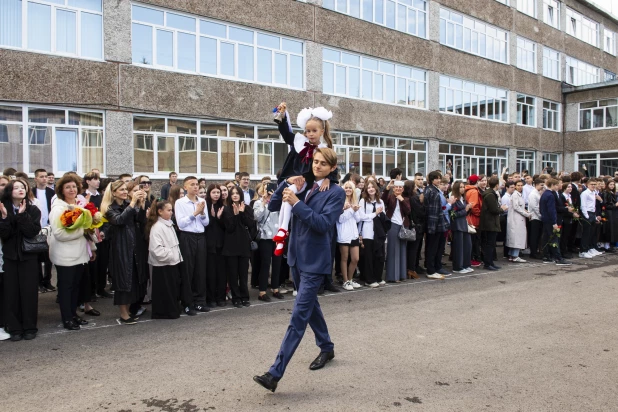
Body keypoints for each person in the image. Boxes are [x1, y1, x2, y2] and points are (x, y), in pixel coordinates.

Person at [254, 148, 346, 392]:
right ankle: (326, 347)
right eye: (315, 162)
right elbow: (274, 205)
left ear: (332, 168)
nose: (317, 166)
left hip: (316, 262)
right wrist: (287, 182)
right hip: (295, 258)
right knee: (310, 307)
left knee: (298, 317)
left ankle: (274, 373)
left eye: (323, 164)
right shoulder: (303, 185)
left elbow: (323, 224)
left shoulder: (335, 193)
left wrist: (297, 204)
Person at [271, 103, 338, 256]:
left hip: (309, 182)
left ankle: (283, 232)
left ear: (322, 131)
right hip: (294, 179)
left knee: (293, 198)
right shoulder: (299, 142)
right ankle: (282, 231)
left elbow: (333, 167)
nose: (310, 134)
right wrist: (282, 116)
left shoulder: (324, 149)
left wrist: (329, 179)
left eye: (314, 131)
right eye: (308, 131)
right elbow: (287, 134)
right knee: (287, 196)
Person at [49, 174, 96, 330]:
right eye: (67, 187)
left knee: (76, 287)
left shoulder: (79, 206)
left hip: (79, 254)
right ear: (61, 190)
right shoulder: (59, 208)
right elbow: (59, 234)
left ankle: (74, 314)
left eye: (74, 186)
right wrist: (82, 231)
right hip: (65, 256)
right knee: (66, 289)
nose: (72, 189)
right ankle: (67, 318)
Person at [0, 178, 42, 341]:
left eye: (23, 187)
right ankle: (15, 328)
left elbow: (32, 232)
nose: (20, 190)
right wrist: (4, 218)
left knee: (29, 293)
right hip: (10, 257)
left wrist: (22, 215)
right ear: (9, 192)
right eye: (16, 187)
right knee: (11, 294)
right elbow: (4, 235)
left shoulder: (33, 210)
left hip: (29, 257)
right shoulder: (3, 208)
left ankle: (30, 327)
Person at [101, 180, 148, 324]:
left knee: (133, 280)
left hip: (134, 247)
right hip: (121, 249)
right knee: (123, 281)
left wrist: (141, 203)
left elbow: (140, 220)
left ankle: (128, 310)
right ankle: (123, 313)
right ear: (114, 192)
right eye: (121, 190)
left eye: (125, 189)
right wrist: (133, 203)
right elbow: (119, 220)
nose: (124, 192)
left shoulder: (128, 205)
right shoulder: (109, 208)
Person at [175, 176, 210, 316]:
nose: (196, 187)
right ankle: (187, 303)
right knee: (188, 270)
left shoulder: (202, 201)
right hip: (187, 237)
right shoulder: (180, 203)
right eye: (192, 185)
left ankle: (200, 301)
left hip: (200, 237)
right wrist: (195, 213)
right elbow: (181, 224)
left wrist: (202, 214)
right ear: (185, 187)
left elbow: (206, 223)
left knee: (200, 270)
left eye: (197, 184)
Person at [146, 201, 183, 319]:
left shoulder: (168, 224)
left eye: (171, 210)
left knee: (172, 288)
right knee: (164, 289)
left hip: (171, 262)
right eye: (168, 210)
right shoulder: (157, 227)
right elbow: (155, 249)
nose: (171, 212)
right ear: (160, 211)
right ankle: (163, 312)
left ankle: (172, 309)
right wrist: (171, 255)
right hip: (163, 264)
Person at [221, 186, 255, 308]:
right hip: (231, 246)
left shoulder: (248, 208)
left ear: (241, 195)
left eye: (237, 193)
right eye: (232, 193)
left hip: (244, 245)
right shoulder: (226, 209)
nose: (235, 195)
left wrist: (241, 213)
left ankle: (245, 297)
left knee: (243, 274)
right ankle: (236, 298)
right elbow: (229, 228)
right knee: (233, 274)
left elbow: (250, 224)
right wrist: (235, 215)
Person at [253, 184, 285, 301]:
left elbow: (284, 215)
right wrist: (264, 202)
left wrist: (277, 198)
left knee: (277, 263)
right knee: (265, 264)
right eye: (266, 189)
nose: (270, 192)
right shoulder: (258, 203)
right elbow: (257, 217)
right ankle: (262, 291)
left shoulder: (279, 202)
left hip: (277, 237)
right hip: (265, 237)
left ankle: (275, 288)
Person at [358, 180, 387, 287]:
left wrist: (379, 214)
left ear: (376, 188)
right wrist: (375, 213)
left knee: (379, 256)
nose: (370, 189)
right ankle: (369, 279)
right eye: (368, 187)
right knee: (368, 257)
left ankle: (378, 277)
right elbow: (362, 217)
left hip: (379, 233)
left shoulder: (381, 202)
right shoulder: (363, 201)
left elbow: (383, 216)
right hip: (367, 232)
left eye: (372, 187)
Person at [32, 169, 56, 292]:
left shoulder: (51, 192)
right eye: (41, 177)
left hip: (49, 228)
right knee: (37, 256)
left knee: (48, 257)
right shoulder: (31, 193)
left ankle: (47, 281)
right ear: (35, 178)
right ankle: (39, 282)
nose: (44, 179)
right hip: (36, 228)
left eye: (46, 176)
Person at [540, 179, 572, 266]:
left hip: (546, 219)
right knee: (554, 238)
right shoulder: (550, 195)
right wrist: (554, 223)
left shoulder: (545, 194)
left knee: (546, 238)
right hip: (550, 220)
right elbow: (551, 210)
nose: (558, 187)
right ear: (553, 185)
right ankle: (558, 258)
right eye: (557, 185)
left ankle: (546, 256)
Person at [424, 171, 448, 279]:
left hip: (436, 224)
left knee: (433, 247)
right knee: (432, 248)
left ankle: (432, 269)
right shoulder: (432, 191)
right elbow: (433, 212)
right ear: (432, 180)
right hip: (434, 225)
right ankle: (431, 270)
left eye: (439, 178)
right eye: (436, 178)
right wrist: (432, 227)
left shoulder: (433, 190)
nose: (439, 180)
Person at [205, 184, 226, 307]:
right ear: (209, 193)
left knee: (221, 273)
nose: (217, 194)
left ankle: (221, 297)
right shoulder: (205, 205)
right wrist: (213, 218)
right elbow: (204, 225)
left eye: (218, 192)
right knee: (211, 273)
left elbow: (225, 226)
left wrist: (218, 218)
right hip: (210, 244)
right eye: (214, 192)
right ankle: (211, 298)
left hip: (222, 244)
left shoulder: (222, 206)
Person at [337, 181, 361, 291]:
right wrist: (350, 210)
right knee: (344, 258)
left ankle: (350, 279)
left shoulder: (355, 201)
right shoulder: (340, 201)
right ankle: (345, 281)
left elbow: (358, 219)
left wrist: (354, 210)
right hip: (343, 234)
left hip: (353, 234)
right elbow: (340, 219)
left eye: (350, 188)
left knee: (355, 258)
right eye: (346, 188)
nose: (348, 190)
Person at [480, 176, 507, 270]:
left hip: (490, 222)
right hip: (489, 223)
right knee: (489, 244)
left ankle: (490, 262)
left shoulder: (491, 193)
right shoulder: (490, 194)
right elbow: (493, 209)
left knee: (491, 244)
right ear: (496, 185)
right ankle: (487, 263)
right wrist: (502, 209)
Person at [450, 181, 473, 274]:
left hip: (464, 225)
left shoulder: (463, 198)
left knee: (467, 246)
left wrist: (468, 208)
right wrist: (465, 210)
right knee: (458, 247)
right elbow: (453, 214)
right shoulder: (454, 199)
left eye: (463, 187)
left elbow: (464, 212)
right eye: (460, 187)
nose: (462, 189)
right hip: (457, 226)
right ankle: (457, 267)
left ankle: (465, 264)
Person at [506, 180, 531, 263]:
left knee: (516, 237)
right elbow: (516, 207)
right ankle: (515, 255)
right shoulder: (515, 195)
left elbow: (520, 206)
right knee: (517, 237)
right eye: (518, 185)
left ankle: (512, 254)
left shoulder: (519, 195)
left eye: (521, 185)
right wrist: (526, 214)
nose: (520, 187)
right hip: (516, 219)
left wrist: (525, 211)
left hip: (518, 218)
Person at [403, 180, 425, 279]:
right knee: (413, 249)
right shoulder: (414, 198)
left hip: (411, 226)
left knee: (410, 249)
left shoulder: (406, 198)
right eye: (415, 186)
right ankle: (411, 269)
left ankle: (409, 268)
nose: (416, 188)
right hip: (416, 226)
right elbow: (421, 212)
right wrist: (422, 202)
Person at [465, 175, 485, 267]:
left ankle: (472, 258)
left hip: (471, 218)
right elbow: (474, 206)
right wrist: (479, 213)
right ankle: (473, 259)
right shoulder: (473, 191)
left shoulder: (468, 190)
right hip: (474, 219)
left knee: (473, 240)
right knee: (474, 240)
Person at [580, 179, 602, 259]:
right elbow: (583, 205)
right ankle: (583, 251)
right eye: (592, 184)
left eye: (594, 184)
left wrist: (594, 216)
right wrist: (586, 216)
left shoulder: (593, 193)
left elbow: (593, 205)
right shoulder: (585, 193)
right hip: (587, 213)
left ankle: (589, 248)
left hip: (592, 213)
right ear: (587, 185)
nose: (593, 186)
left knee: (591, 233)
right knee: (586, 233)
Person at [528, 179, 545, 259]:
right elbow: (535, 207)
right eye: (541, 185)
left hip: (538, 217)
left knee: (538, 235)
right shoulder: (533, 194)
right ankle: (533, 252)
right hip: (535, 217)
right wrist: (541, 216)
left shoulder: (538, 193)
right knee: (534, 236)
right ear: (537, 185)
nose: (542, 187)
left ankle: (536, 251)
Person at [600, 180, 617, 252]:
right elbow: (606, 204)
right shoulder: (606, 193)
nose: (612, 186)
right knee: (608, 229)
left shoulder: (612, 193)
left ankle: (609, 244)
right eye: (610, 184)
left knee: (612, 229)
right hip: (608, 213)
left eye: (613, 185)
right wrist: (615, 205)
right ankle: (606, 245)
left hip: (612, 213)